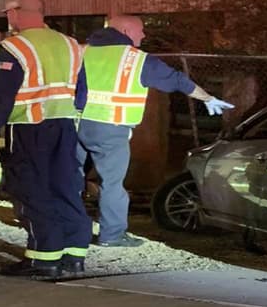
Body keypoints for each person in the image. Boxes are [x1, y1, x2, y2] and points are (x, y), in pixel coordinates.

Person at [78, 14, 233, 247]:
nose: (144, 35)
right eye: (140, 30)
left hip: (73, 124)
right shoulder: (135, 59)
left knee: (70, 178)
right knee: (112, 184)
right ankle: (111, 235)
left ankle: (67, 229)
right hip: (110, 128)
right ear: (126, 31)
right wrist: (207, 98)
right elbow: (176, 80)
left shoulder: (81, 51)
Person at [0, 0, 90, 278]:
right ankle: (75, 255)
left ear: (17, 12)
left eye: (7, 11)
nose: (7, 17)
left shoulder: (15, 46)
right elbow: (82, 91)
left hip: (29, 128)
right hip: (65, 126)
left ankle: (44, 258)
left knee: (33, 189)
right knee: (66, 186)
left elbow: (2, 96)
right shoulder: (70, 44)